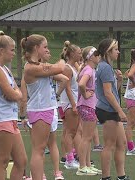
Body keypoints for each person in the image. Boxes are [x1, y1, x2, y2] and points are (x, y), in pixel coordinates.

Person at [0, 31, 27, 180]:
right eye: (12, 50)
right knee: (2, 160)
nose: (14, 53)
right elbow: (13, 94)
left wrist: (17, 93)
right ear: (1, 50)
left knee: (21, 161)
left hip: (9, 117)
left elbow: (17, 91)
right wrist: (17, 93)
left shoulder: (5, 69)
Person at [21, 34, 66, 179]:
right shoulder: (30, 68)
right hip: (40, 110)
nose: (47, 49)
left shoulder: (38, 66)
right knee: (38, 150)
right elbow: (61, 67)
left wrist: (48, 65)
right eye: (45, 47)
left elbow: (62, 76)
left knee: (39, 150)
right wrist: (62, 58)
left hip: (44, 109)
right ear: (36, 48)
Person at [95, 39, 130, 180]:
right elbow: (108, 93)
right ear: (108, 51)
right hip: (108, 110)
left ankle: (121, 176)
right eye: (115, 49)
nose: (118, 51)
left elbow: (112, 91)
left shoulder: (106, 67)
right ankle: (106, 177)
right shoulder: (105, 67)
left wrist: (119, 81)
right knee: (109, 145)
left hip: (111, 109)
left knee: (121, 143)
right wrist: (120, 111)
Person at [76, 46, 102, 176]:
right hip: (87, 105)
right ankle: (82, 166)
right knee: (86, 137)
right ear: (90, 57)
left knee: (88, 137)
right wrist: (85, 95)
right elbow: (81, 84)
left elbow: (80, 82)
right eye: (96, 54)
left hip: (88, 105)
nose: (98, 56)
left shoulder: (88, 69)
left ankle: (87, 165)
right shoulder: (89, 70)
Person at [59, 41, 82, 169]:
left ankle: (73, 157)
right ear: (72, 54)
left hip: (74, 102)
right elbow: (67, 87)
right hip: (69, 103)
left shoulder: (73, 67)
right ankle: (69, 160)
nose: (80, 55)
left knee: (74, 131)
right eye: (78, 53)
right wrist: (73, 105)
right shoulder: (67, 68)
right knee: (70, 132)